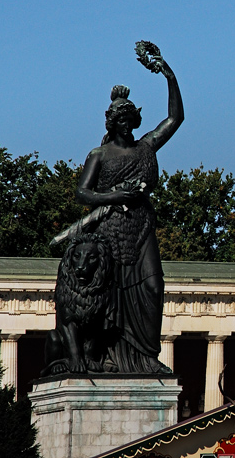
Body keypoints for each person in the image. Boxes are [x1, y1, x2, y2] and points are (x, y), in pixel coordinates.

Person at [73, 52, 183, 373]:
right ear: (112, 122)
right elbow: (82, 193)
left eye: (130, 119)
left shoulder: (146, 146)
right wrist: (114, 194)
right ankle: (105, 355)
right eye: (120, 120)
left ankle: (146, 356)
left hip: (141, 225)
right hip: (110, 228)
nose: (126, 125)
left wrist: (169, 76)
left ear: (134, 120)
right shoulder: (99, 154)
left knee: (153, 286)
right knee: (110, 295)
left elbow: (175, 119)